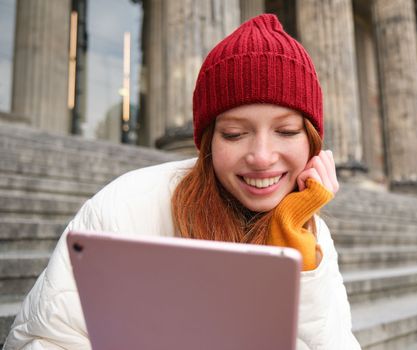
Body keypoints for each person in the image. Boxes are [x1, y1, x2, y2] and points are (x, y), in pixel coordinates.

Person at [3, 14, 361, 350]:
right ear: (207, 141)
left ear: (312, 141)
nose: (262, 156)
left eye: (286, 131)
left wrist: (297, 251)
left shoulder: (311, 235)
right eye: (235, 134)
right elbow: (44, 339)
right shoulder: (125, 205)